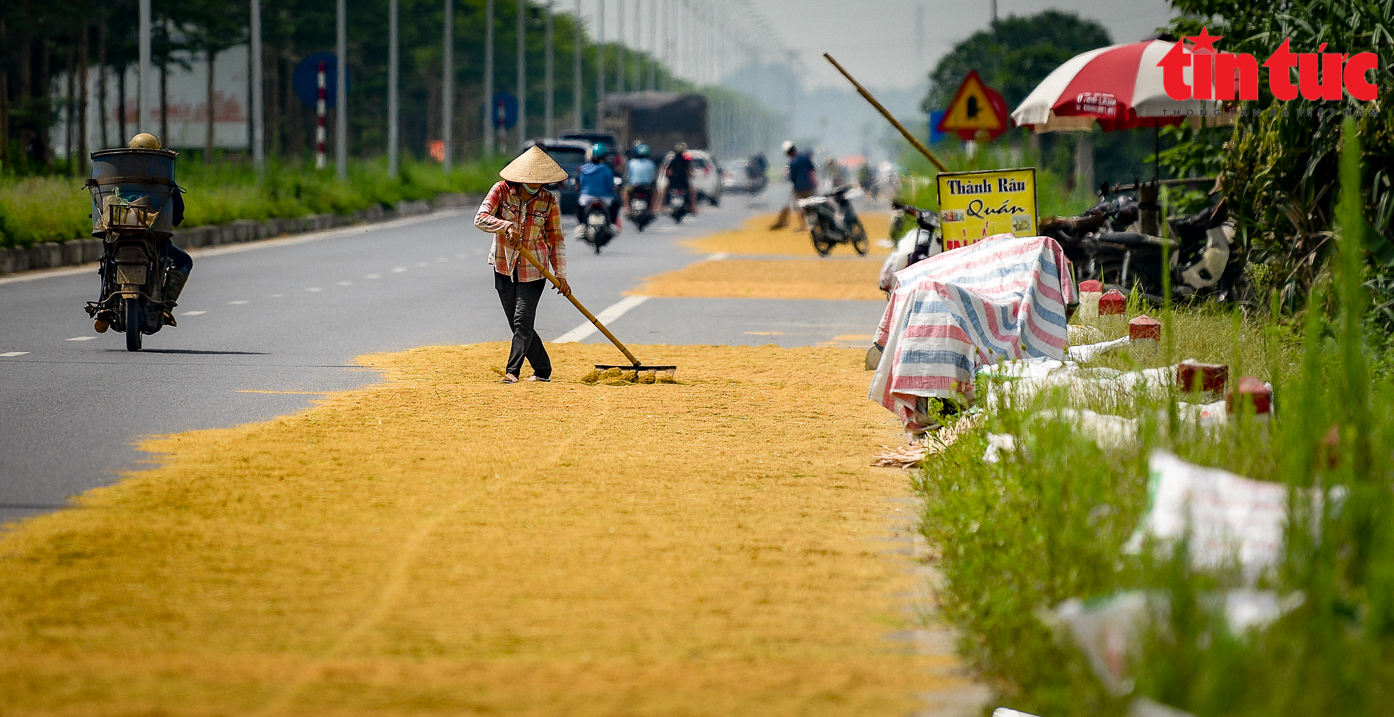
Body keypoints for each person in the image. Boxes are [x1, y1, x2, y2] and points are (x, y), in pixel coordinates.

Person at [474, 146, 572, 384]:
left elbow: (555, 239)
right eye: (531, 181)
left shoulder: (549, 200)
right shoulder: (502, 191)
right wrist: (505, 226)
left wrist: (561, 275)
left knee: (522, 321)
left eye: (540, 182)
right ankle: (543, 369)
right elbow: (480, 218)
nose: (535, 186)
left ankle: (512, 371)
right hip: (503, 265)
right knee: (517, 324)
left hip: (534, 269)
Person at [94, 132, 192, 333]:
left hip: (117, 234)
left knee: (108, 262)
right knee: (184, 261)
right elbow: (178, 213)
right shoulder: (163, 178)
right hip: (155, 238)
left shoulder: (115, 177)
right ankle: (165, 306)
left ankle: (104, 304)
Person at [769, 141, 817, 231]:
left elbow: (792, 177)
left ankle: (804, 226)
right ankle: (814, 225)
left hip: (799, 188)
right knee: (812, 206)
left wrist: (795, 185)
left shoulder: (793, 162)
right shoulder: (805, 158)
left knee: (800, 207)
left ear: (788, 152)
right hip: (810, 186)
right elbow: (812, 169)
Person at [576, 143, 620, 232]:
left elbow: (581, 184)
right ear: (605, 157)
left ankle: (582, 224)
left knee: (578, 205)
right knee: (616, 204)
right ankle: (612, 223)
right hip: (605, 198)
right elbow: (610, 186)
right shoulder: (607, 170)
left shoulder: (584, 169)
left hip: (586, 198)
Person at [661, 141, 697, 215]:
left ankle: (662, 206)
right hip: (683, 182)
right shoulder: (685, 161)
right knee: (692, 192)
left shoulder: (673, 161)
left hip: (674, 182)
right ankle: (692, 207)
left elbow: (667, 171)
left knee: (665, 190)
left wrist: (668, 176)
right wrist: (690, 176)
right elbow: (688, 171)